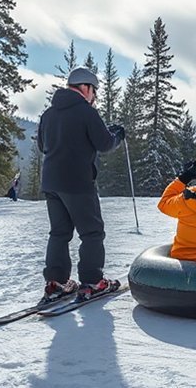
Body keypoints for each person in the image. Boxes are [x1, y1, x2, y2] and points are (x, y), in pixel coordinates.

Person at [37, 66, 125, 303]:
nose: (94, 97)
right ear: (85, 87)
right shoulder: (86, 112)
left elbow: (41, 145)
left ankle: (56, 283)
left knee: (59, 232)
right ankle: (93, 282)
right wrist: (117, 135)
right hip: (77, 182)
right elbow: (104, 143)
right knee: (92, 232)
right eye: (94, 91)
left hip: (51, 182)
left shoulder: (48, 114)